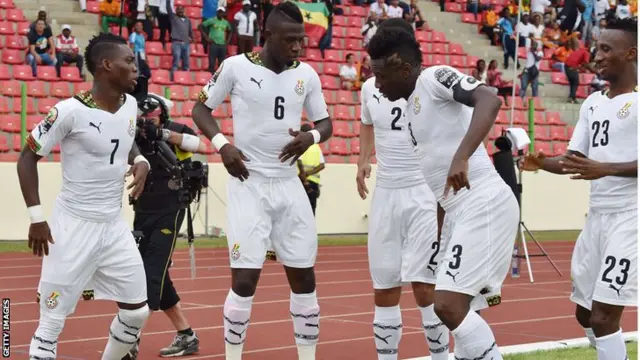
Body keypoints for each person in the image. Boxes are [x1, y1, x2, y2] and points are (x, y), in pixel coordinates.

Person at [367, 26, 519, 360]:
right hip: (457, 213)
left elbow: (489, 98)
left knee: (446, 305)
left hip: (484, 201)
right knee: (459, 310)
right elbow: (438, 181)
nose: (377, 85)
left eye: (380, 76)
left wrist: (462, 154)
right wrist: (441, 231)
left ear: (404, 69)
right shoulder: (410, 111)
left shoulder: (435, 77)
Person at [191, 2, 333, 360]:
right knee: (244, 280)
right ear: (267, 36)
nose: (298, 48)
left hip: (289, 184)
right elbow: (200, 109)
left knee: (304, 278)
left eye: (301, 40)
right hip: (248, 184)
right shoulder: (236, 67)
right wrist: (223, 146)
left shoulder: (308, 75)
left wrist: (310, 138)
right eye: (290, 40)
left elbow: (326, 124)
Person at [16, 32, 151, 360]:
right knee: (50, 324)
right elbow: (26, 157)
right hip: (73, 227)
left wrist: (140, 159)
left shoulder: (130, 104)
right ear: (106, 65)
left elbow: (124, 133)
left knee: (137, 312)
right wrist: (36, 217)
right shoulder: (68, 112)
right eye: (130, 62)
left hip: (113, 227)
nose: (138, 69)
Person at [519, 18, 637, 360]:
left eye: (605, 49)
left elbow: (597, 166)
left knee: (603, 316)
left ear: (631, 53)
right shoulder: (592, 104)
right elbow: (574, 160)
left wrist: (606, 169)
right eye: (596, 47)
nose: (595, 56)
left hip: (631, 219)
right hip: (597, 218)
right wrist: (542, 162)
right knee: (584, 314)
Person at [356, 18, 449, 360]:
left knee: (425, 288)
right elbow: (366, 122)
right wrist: (363, 160)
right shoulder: (370, 87)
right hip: (386, 192)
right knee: (384, 287)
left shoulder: (430, 84)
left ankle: (440, 356)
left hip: (423, 191)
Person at [122, 94, 210, 359]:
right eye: (142, 116)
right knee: (154, 273)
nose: (145, 120)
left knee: (149, 274)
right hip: (142, 210)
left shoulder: (174, 131)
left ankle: (130, 339)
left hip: (169, 211)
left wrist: (162, 134)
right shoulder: (133, 136)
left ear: (162, 115)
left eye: (151, 116)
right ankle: (187, 335)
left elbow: (200, 145)